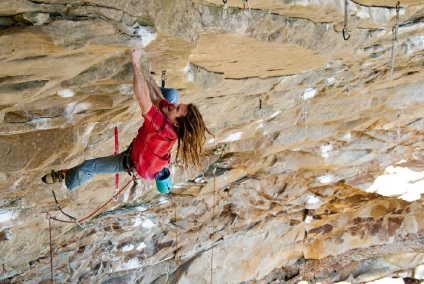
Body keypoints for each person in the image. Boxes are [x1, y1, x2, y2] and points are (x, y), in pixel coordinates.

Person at [42, 48, 211, 193]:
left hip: (130, 161)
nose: (174, 106)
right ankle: (143, 80)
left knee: (89, 166)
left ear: (176, 123)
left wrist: (136, 64)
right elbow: (158, 99)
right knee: (171, 94)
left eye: (177, 109)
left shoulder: (161, 128)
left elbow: (143, 98)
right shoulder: (171, 116)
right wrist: (146, 73)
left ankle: (66, 177)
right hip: (149, 153)